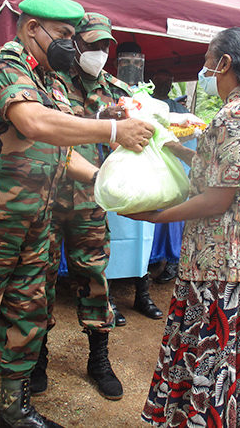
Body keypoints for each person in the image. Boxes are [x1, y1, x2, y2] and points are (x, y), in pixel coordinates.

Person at [0, 0, 155, 428]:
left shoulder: (53, 81)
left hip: (36, 226)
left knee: (25, 316)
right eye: (64, 35)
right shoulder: (1, 65)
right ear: (33, 30)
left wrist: (109, 185)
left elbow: (62, 152)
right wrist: (114, 130)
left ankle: (15, 409)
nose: (72, 45)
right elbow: (34, 123)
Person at [131, 27, 240, 428]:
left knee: (217, 355)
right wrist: (170, 144)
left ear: (225, 64)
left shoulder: (239, 114)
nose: (203, 69)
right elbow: (216, 165)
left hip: (228, 266)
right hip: (234, 262)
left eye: (207, 60)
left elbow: (218, 199)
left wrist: (155, 216)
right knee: (225, 356)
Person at [33, 12, 127, 401]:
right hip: (49, 198)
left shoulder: (117, 90)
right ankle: (36, 358)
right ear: (75, 45)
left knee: (94, 279)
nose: (100, 52)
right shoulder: (49, 82)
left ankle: (99, 359)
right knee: (38, 280)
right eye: (92, 45)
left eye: (105, 46)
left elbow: (125, 145)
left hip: (91, 201)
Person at [103, 41, 164, 324]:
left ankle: (142, 293)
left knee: (145, 233)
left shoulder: (148, 95)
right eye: (126, 61)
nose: (132, 66)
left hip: (144, 172)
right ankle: (109, 297)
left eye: (137, 61)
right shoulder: (105, 90)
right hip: (115, 170)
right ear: (117, 62)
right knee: (111, 233)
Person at [148, 69, 194, 283]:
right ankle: (151, 258)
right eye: (159, 80)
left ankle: (173, 261)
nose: (163, 85)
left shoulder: (180, 112)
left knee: (173, 216)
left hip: (171, 174)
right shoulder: (143, 105)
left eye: (168, 81)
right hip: (147, 172)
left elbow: (189, 144)